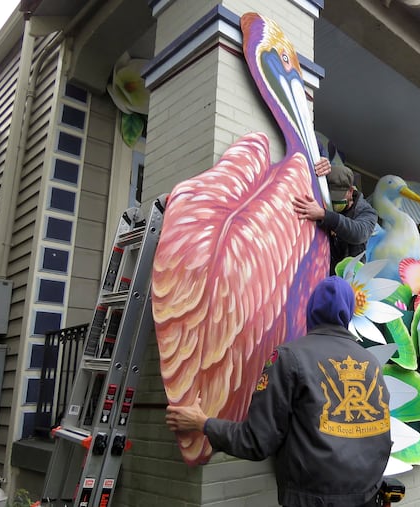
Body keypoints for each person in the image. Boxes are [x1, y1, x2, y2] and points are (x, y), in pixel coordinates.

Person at [166, 276, 392, 507]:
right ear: (350, 312)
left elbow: (255, 441)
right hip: (367, 497)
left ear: (311, 308)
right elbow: (381, 435)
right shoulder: (371, 362)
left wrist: (202, 423)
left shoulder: (289, 357)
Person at [293, 152, 378, 275]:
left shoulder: (367, 212)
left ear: (350, 191)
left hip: (347, 275)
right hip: (319, 265)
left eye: (338, 196)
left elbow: (358, 233)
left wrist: (325, 215)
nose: (334, 202)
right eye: (331, 198)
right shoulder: (323, 198)